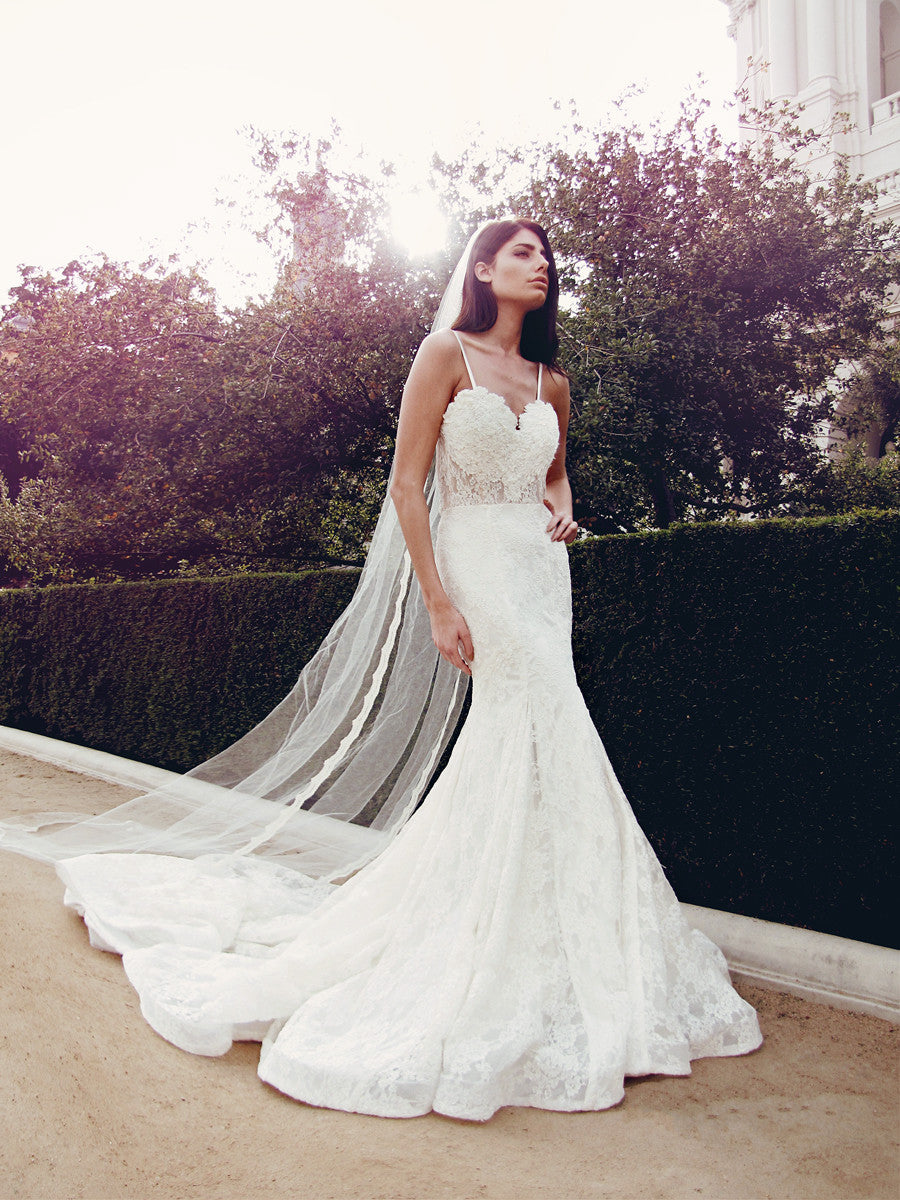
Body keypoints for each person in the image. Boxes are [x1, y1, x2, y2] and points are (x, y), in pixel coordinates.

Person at [2, 218, 762, 1121]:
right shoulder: (446, 354)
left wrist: (562, 507)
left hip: (538, 565)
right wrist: (438, 601)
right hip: (475, 556)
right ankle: (490, 915)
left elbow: (556, 472)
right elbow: (407, 484)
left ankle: (543, 916)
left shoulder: (551, 379)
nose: (542, 265)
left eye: (546, 256)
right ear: (484, 267)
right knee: (531, 712)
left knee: (544, 720)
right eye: (523, 252)